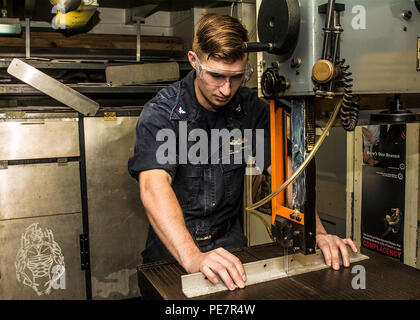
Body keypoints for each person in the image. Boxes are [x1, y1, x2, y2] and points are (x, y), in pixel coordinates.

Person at [128, 13, 358, 291]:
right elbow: (153, 186)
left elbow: (283, 172)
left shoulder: (250, 110)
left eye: (237, 77)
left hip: (231, 246)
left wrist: (317, 233)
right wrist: (193, 258)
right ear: (193, 61)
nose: (226, 89)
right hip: (173, 252)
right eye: (216, 76)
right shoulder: (162, 113)